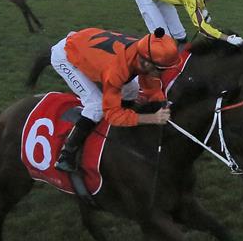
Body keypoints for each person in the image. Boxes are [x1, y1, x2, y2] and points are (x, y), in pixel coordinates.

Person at [51, 27, 177, 175]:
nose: (161, 73)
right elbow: (112, 114)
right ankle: (66, 155)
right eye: (161, 69)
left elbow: (150, 82)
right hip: (66, 56)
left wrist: (161, 103)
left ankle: (124, 130)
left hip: (86, 44)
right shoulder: (116, 70)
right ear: (146, 63)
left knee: (131, 90)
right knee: (96, 105)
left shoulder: (142, 53)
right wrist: (151, 118)